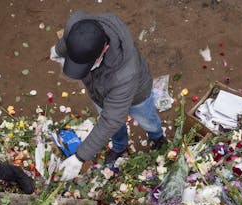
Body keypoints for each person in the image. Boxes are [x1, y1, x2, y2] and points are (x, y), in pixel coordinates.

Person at [52, 12, 167, 180]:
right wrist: (58, 50)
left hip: (136, 95)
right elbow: (68, 42)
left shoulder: (125, 73)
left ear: (105, 48)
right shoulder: (78, 25)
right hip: (100, 92)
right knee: (112, 124)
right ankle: (120, 146)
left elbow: (111, 119)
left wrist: (79, 157)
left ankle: (157, 136)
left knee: (146, 119)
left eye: (87, 64)